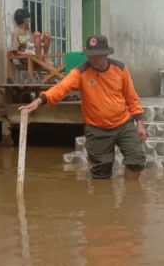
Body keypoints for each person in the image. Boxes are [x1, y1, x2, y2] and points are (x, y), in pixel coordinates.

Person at [19, 35, 148, 180]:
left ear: (106, 54)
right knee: (101, 172)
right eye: (90, 56)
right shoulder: (80, 72)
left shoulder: (120, 68)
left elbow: (132, 98)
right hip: (97, 129)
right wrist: (40, 100)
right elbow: (61, 88)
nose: (93, 59)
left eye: (97, 56)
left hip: (123, 124)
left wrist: (140, 123)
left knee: (136, 160)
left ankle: (130, 197)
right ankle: (103, 201)